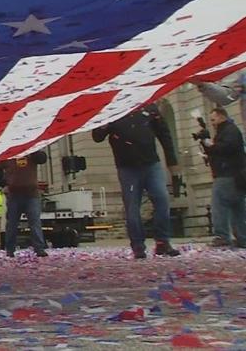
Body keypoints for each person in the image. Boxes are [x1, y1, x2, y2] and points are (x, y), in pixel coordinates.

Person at [92, 103, 181, 259]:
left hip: (151, 163)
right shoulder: (111, 109)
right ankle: (138, 246)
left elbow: (164, 134)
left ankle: (162, 241)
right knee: (132, 207)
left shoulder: (149, 108)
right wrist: (103, 125)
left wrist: (172, 161)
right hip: (127, 167)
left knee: (162, 199)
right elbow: (97, 137)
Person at [200, 107, 246, 247]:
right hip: (238, 174)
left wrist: (209, 144)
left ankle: (222, 236)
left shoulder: (228, 131)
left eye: (213, 119)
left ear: (221, 117)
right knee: (237, 206)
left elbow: (225, 148)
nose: (212, 123)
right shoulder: (230, 130)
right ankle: (242, 237)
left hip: (226, 174)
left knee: (219, 204)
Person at [0, 151, 48, 258]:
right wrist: (3, 183)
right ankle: (10, 249)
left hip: (31, 194)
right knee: (12, 224)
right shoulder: (7, 154)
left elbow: (42, 159)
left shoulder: (31, 151)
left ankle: (39, 248)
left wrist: (34, 150)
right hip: (14, 194)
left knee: (34, 222)